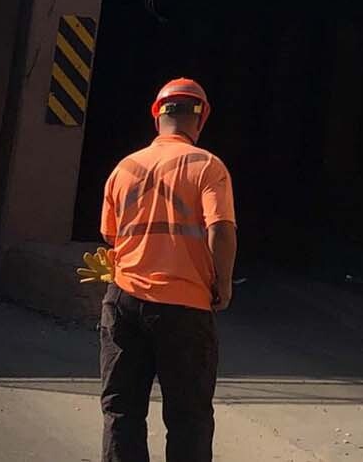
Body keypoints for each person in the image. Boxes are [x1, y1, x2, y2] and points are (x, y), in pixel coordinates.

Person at [97, 78, 237, 462]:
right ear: (201, 118)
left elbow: (111, 235)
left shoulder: (124, 168)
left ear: (157, 115)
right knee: (189, 417)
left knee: (122, 411)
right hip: (186, 307)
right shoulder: (207, 166)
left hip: (124, 302)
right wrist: (223, 283)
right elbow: (221, 230)